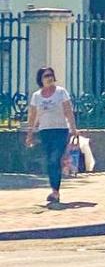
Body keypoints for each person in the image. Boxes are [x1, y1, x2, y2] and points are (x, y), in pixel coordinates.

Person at [24, 66, 80, 205]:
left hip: (60, 130)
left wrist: (73, 128)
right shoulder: (36, 96)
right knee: (50, 161)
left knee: (55, 159)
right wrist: (30, 133)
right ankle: (55, 190)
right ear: (40, 79)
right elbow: (32, 116)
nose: (49, 78)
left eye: (51, 75)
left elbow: (68, 111)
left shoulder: (61, 92)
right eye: (46, 76)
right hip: (45, 131)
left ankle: (55, 192)